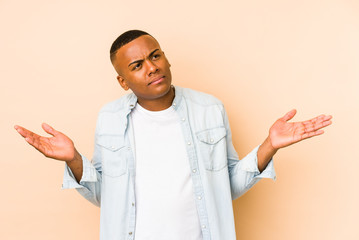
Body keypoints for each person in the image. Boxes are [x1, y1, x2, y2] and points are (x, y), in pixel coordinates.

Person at [14, 30, 332, 240]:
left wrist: (269, 146)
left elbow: (226, 189)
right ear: (123, 81)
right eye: (137, 65)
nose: (152, 67)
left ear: (166, 58)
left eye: (155, 55)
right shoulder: (109, 118)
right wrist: (74, 159)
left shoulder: (209, 108)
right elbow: (108, 199)